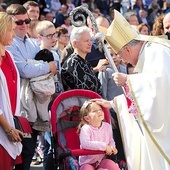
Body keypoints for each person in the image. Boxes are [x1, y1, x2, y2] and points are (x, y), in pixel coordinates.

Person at [92, 9, 170, 170]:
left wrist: (128, 80)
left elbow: (162, 85)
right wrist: (114, 103)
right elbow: (148, 92)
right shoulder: (149, 52)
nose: (123, 60)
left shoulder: (155, 50)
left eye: (120, 55)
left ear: (127, 49)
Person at [6, 4, 57, 170]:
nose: (24, 25)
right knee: (22, 153)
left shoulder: (33, 43)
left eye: (26, 21)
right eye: (18, 22)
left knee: (27, 153)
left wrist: (38, 66)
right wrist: (45, 67)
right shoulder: (10, 44)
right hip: (17, 106)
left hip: (33, 106)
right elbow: (25, 70)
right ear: (10, 23)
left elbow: (52, 61)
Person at [0, 12, 23, 170]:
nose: (14, 35)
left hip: (11, 125)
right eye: (10, 30)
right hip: (4, 129)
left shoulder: (8, 55)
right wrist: (7, 128)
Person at [78, 100, 120, 170]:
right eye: (94, 111)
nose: (99, 111)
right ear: (87, 118)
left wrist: (112, 147)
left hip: (101, 160)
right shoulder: (86, 129)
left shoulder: (107, 126)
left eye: (100, 109)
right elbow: (85, 144)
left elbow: (110, 140)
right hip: (87, 162)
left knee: (112, 166)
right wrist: (104, 146)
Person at [61, 26, 102, 95]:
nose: (90, 44)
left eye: (90, 40)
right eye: (86, 41)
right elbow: (84, 90)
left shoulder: (85, 62)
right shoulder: (72, 63)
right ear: (75, 43)